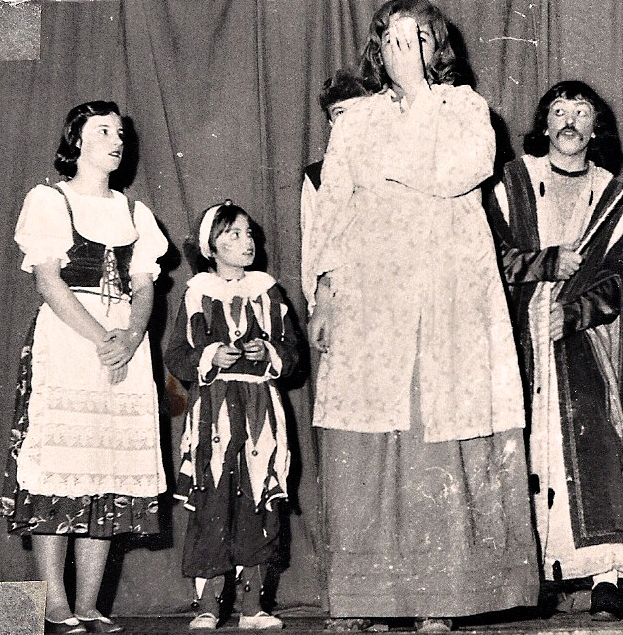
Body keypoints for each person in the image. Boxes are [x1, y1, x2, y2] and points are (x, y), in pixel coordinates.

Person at [302, 0, 539, 630]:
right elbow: (333, 207)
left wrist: (417, 93)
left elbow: (455, 171)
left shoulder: (465, 108)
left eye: (416, 40)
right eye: (389, 40)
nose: (400, 51)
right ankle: (366, 599)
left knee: (438, 434)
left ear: (439, 49)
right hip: (369, 301)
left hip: (446, 299)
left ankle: (443, 598)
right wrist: (325, 292)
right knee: (367, 438)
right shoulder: (355, 119)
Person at [0, 100, 168, 635]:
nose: (116, 141)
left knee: (107, 468)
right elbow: (48, 281)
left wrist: (132, 337)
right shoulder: (49, 200)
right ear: (76, 141)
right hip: (72, 342)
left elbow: (144, 285)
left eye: (120, 133)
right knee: (61, 467)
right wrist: (103, 339)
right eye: (103, 131)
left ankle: (90, 604)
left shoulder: (136, 212)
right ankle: (56, 603)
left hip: (125, 347)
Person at [485, 81, 623, 621]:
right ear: (544, 125)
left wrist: (574, 314)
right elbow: (491, 257)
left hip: (588, 344)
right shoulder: (511, 184)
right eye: (559, 110)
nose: (570, 120)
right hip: (520, 338)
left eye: (581, 112)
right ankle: (532, 577)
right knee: (526, 449)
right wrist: (547, 263)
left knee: (594, 445)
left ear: (596, 128)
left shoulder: (614, 197)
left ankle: (605, 576)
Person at [165, 201, 301, 630]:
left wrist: (270, 352)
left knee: (258, 496)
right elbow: (176, 355)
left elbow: (293, 354)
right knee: (213, 498)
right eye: (234, 235)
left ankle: (252, 607)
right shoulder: (197, 293)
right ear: (211, 246)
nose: (247, 242)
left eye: (249, 234)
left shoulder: (268, 291)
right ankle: (208, 605)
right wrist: (210, 356)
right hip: (215, 410)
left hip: (261, 407)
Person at [300, 69, 368, 308]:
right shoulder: (316, 177)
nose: (349, 121)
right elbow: (312, 248)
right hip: (343, 296)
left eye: (358, 110)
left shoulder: (394, 165)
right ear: (330, 122)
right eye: (340, 113)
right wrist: (317, 305)